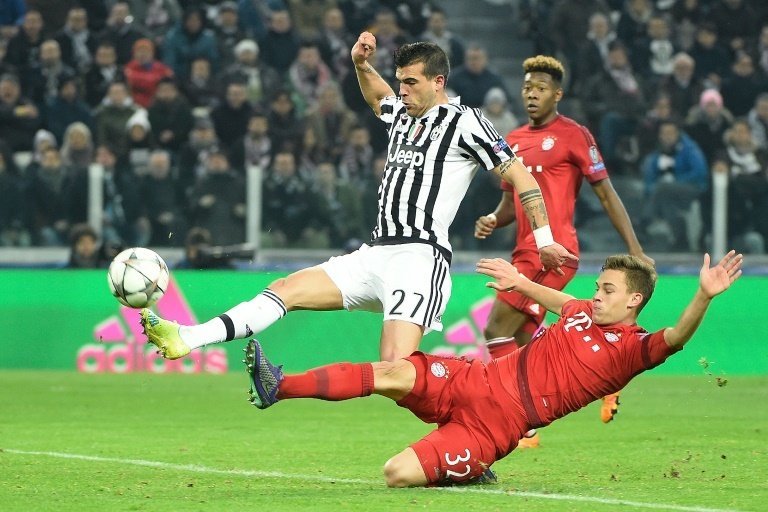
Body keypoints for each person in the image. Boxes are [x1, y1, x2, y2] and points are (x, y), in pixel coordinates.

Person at [141, 34, 574, 363]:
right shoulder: (403, 114)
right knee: (284, 289)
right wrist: (358, 63)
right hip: (374, 254)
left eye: (411, 82)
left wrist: (544, 240)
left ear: (438, 82)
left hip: (420, 258)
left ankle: (472, 416)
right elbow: (378, 97)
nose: (402, 91)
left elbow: (523, 179)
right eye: (400, 81)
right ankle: (189, 337)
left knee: (395, 369)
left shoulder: (467, 123)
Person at [243, 250, 743, 487]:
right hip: (471, 378)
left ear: (635, 300)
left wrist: (702, 294)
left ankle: (469, 468)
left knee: (396, 474)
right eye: (598, 286)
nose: (596, 294)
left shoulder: (633, 349)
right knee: (394, 370)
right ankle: (277, 386)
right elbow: (559, 298)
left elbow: (676, 338)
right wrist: (517, 280)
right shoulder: (582, 311)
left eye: (608, 290)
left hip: (497, 425)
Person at [474, 56, 652, 440]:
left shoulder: (575, 135)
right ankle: (608, 378)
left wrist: (635, 249)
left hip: (553, 251)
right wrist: (492, 218)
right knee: (526, 341)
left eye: (540, 88)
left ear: (558, 94)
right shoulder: (514, 140)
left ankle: (516, 420)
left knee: (495, 327)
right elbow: (509, 206)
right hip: (523, 251)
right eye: (526, 88)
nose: (531, 94)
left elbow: (606, 194)